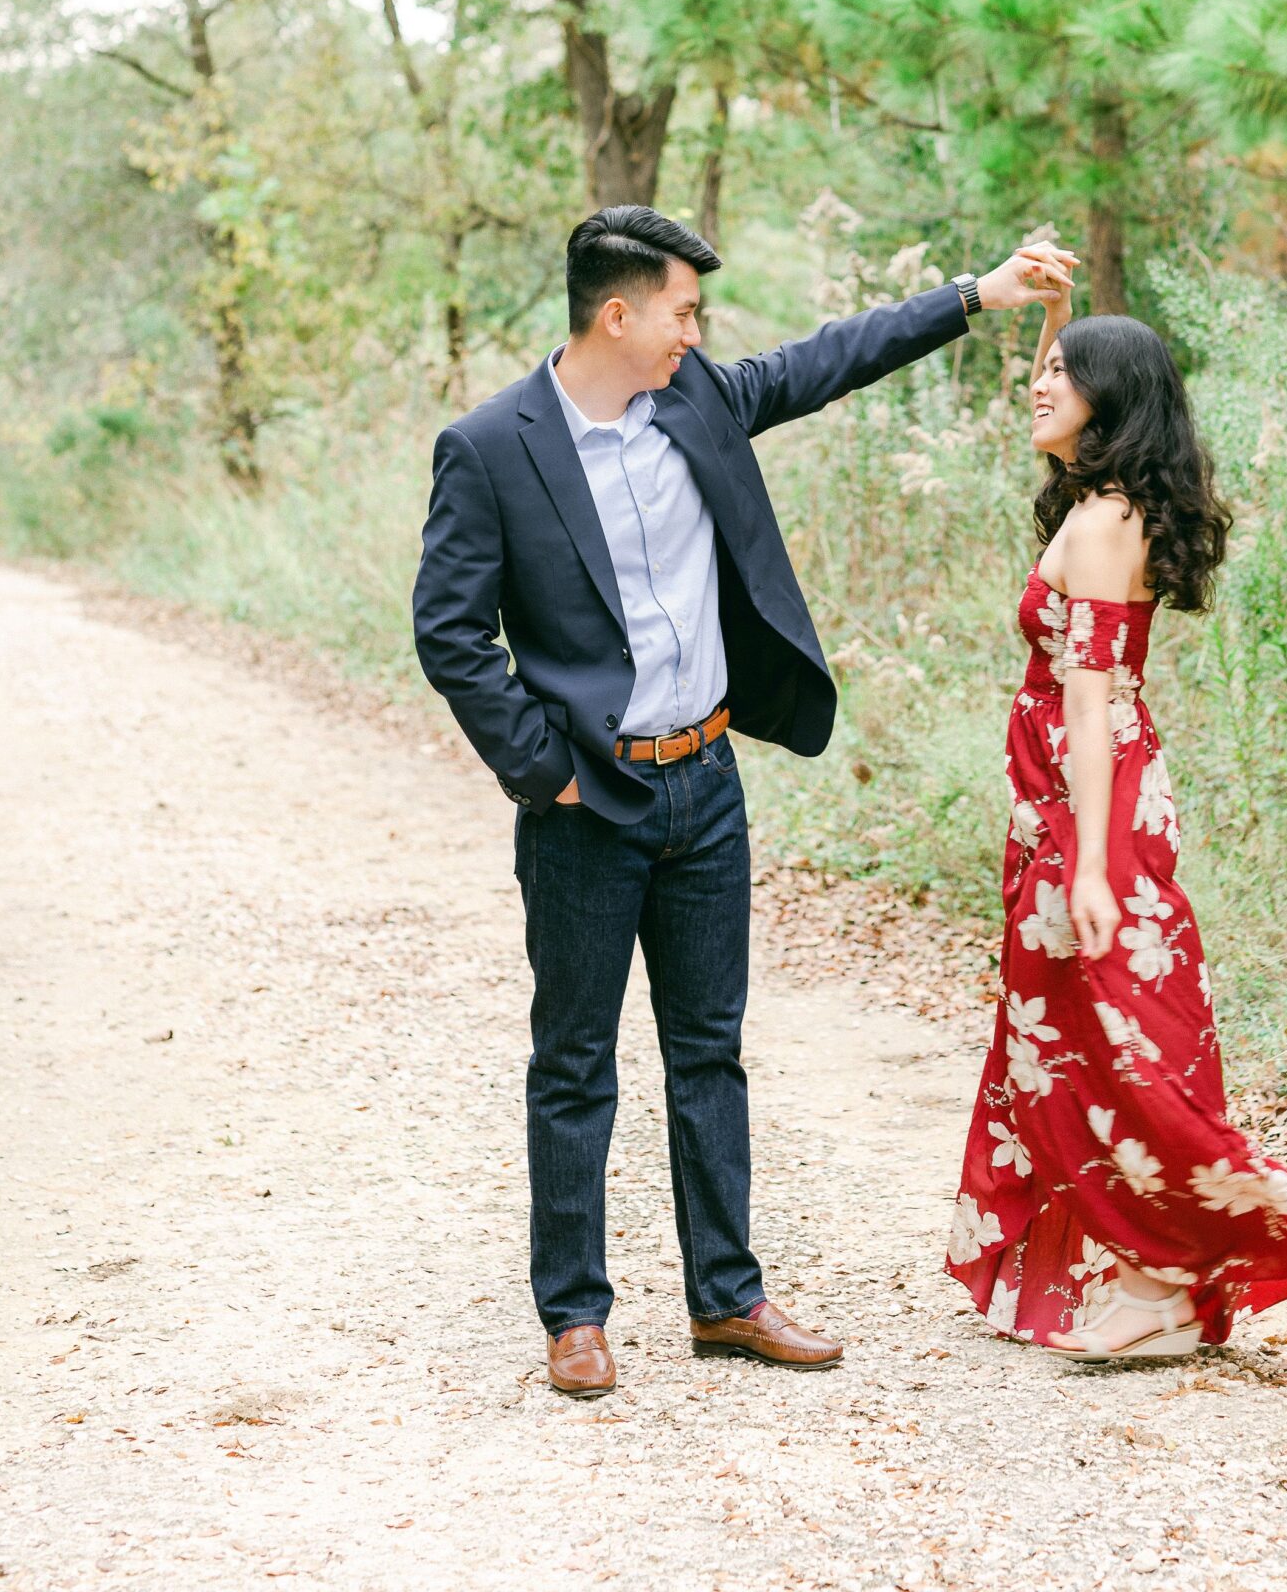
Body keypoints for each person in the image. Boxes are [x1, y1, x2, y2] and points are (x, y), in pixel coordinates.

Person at [413, 203, 1073, 1398]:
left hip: (708, 782)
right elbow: (450, 633)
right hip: (586, 803)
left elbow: (828, 359)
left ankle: (725, 1296)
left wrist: (976, 294)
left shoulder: (697, 399)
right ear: (618, 313)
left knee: (708, 1052)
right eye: (681, 310)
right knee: (574, 1059)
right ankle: (574, 1315)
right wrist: (548, 769)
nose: (693, 331)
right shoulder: (491, 446)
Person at [946, 277, 1287, 1359]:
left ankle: (1166, 1280)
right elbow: (1089, 699)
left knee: (1117, 1030)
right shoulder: (1097, 502)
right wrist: (1050, 315)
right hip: (1063, 800)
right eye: (1046, 368)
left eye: (1062, 375)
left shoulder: (1104, 523)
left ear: (1109, 401)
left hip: (1090, 801)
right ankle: (1137, 1281)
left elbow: (1090, 699)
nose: (1039, 385)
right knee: (1065, 1027)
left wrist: (1092, 862)